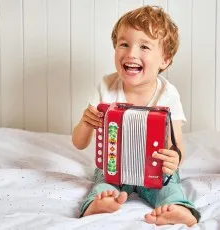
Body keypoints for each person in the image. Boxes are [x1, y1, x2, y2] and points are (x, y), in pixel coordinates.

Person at [72, 5, 200, 226]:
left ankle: (178, 208)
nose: (131, 53)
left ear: (165, 60)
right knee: (103, 183)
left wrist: (175, 158)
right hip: (113, 168)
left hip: (154, 169)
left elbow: (177, 145)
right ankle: (98, 203)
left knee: (169, 185)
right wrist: (86, 123)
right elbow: (78, 143)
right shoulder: (106, 86)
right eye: (124, 44)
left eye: (144, 47)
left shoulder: (167, 94)